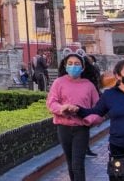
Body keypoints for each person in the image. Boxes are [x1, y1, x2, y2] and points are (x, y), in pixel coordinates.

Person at [48, 51, 102, 181]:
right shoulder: (58, 83)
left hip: (81, 129)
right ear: (65, 66)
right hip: (63, 127)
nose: (73, 66)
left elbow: (98, 109)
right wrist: (63, 109)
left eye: (77, 64)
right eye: (70, 64)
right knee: (71, 163)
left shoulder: (89, 86)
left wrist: (87, 119)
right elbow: (51, 102)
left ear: (83, 68)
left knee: (78, 164)